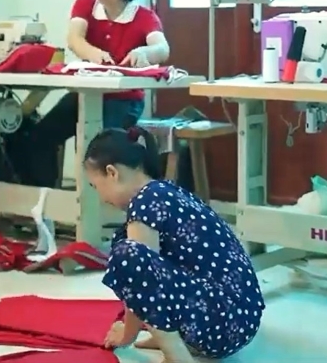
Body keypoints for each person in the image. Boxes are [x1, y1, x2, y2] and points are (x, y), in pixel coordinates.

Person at [84, 126, 264, 363]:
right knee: (125, 243)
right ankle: (175, 339)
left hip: (223, 321)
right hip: (240, 319)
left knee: (126, 255)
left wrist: (127, 334)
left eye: (96, 186)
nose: (101, 197)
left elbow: (140, 276)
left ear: (112, 173)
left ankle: (176, 355)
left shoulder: (144, 202)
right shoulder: (165, 191)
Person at [30, 0, 170, 150]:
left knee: (100, 148)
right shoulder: (85, 5)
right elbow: (74, 39)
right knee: (39, 137)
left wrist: (143, 53)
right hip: (86, 92)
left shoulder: (143, 16)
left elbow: (162, 48)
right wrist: (94, 54)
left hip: (124, 99)